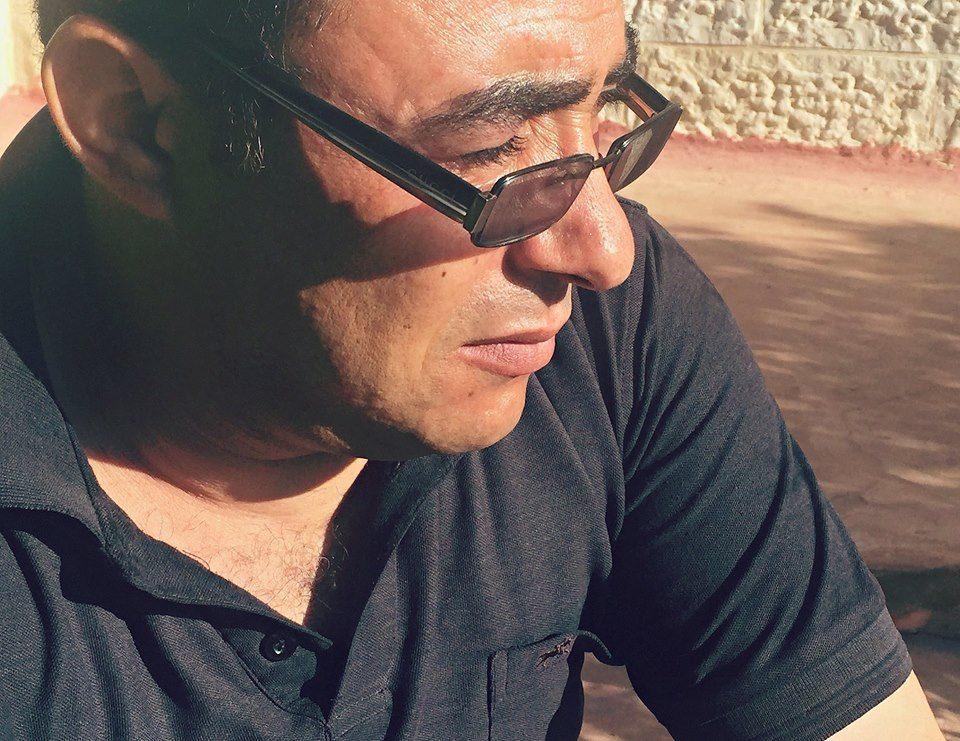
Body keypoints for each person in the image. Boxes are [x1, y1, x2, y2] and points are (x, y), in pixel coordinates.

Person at [0, 0, 944, 738]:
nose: (603, 249)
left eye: (604, 115)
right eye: (492, 151)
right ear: (134, 121)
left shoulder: (605, 333)